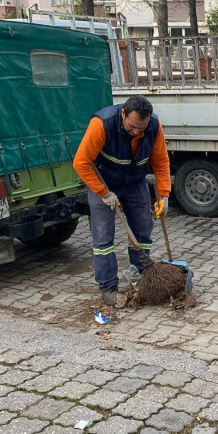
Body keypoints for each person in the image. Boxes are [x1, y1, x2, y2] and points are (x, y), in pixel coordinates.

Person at [73, 96, 171, 306]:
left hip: (135, 182)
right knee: (103, 239)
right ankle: (108, 287)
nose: (137, 131)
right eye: (133, 126)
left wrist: (164, 194)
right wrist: (104, 193)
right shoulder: (102, 124)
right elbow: (81, 162)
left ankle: (142, 274)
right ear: (123, 114)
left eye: (141, 128)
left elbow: (161, 162)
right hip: (104, 183)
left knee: (144, 230)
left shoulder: (154, 126)